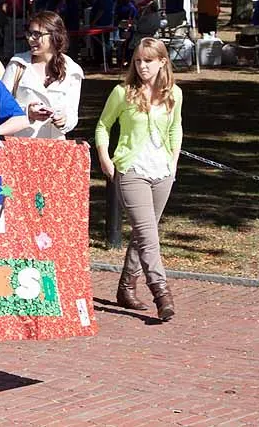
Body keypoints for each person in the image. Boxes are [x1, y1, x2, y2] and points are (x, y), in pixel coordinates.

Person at [95, 37, 183, 323]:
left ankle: (126, 287)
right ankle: (162, 294)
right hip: (132, 169)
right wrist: (105, 157)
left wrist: (173, 162)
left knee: (144, 233)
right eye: (138, 61)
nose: (142, 66)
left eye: (148, 61)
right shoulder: (123, 92)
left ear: (162, 62)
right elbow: (103, 125)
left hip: (162, 170)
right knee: (148, 235)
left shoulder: (174, 93)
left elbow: (176, 128)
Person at [1, 11, 83, 139]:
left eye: (36, 34)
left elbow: (72, 115)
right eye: (29, 34)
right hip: (20, 144)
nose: (30, 39)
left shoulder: (73, 70)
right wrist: (27, 112)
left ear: (55, 36)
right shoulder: (18, 64)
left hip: (54, 146)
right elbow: (0, 106)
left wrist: (64, 121)